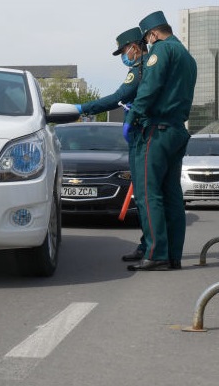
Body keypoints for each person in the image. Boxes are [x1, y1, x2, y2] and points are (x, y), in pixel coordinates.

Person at [123, 11, 197, 271]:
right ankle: (172, 254)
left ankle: (156, 253)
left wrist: (132, 116)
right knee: (171, 194)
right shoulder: (187, 56)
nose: (148, 44)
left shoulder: (162, 51)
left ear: (153, 34)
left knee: (147, 193)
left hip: (156, 130)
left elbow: (149, 88)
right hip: (177, 129)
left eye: (148, 39)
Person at [75, 27, 148, 262]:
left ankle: (152, 248)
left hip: (144, 136)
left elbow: (118, 97)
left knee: (147, 197)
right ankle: (152, 246)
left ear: (135, 47)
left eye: (125, 50)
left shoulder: (139, 70)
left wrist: (83, 108)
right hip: (144, 134)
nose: (125, 56)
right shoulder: (146, 67)